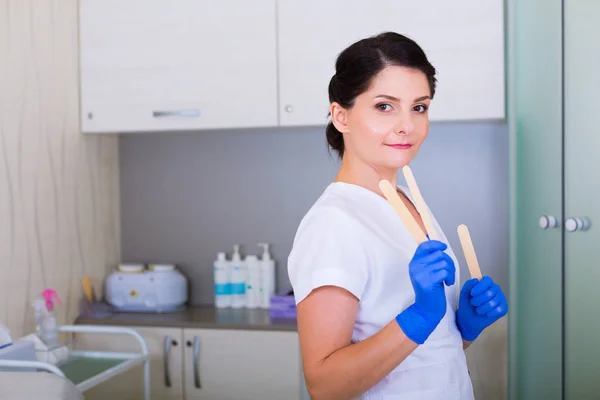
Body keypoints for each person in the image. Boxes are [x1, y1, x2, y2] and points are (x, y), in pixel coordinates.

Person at [287, 32, 508, 400]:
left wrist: (462, 328)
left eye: (419, 107)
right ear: (341, 116)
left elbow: (419, 355)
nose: (407, 125)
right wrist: (419, 316)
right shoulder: (333, 224)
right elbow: (324, 385)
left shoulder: (408, 200)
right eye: (385, 106)